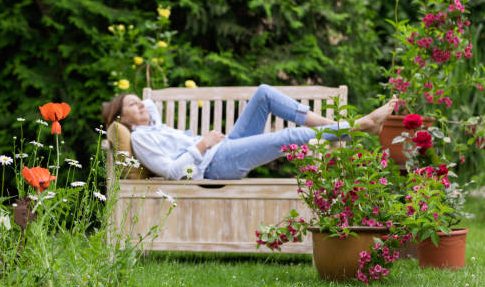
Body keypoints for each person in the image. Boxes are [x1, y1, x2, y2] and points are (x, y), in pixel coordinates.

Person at [102, 84, 397, 180]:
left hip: (223, 148)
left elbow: (151, 104)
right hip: (213, 165)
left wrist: (135, 107)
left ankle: (338, 129)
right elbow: (172, 171)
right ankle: (360, 126)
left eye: (138, 100)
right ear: (121, 117)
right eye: (132, 104)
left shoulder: (152, 125)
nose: (141, 104)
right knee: (288, 137)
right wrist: (202, 145)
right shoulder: (141, 139)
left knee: (264, 94)